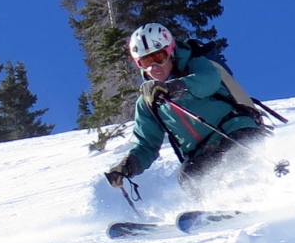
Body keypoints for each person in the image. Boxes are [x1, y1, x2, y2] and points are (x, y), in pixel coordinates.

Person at [105, 23, 267, 201]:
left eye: (159, 57)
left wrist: (174, 87)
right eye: (145, 62)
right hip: (203, 154)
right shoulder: (147, 104)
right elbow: (147, 145)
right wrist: (127, 166)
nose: (154, 67)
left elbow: (209, 81)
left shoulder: (195, 64)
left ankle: (262, 195)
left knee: (234, 161)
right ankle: (219, 210)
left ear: (171, 51)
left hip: (235, 131)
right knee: (188, 177)